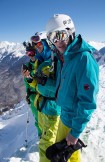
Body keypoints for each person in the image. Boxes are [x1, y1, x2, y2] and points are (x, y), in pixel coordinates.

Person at [46, 14, 99, 162]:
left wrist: (75, 132)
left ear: (71, 32)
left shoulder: (83, 59)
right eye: (52, 38)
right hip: (65, 116)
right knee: (69, 156)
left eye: (61, 35)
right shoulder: (66, 57)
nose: (58, 42)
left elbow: (88, 101)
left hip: (72, 121)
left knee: (60, 157)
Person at [23, 33, 61, 162]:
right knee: (44, 132)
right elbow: (36, 83)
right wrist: (29, 80)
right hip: (42, 103)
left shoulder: (55, 60)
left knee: (47, 143)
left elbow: (59, 85)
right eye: (34, 46)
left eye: (39, 44)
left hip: (53, 106)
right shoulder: (40, 62)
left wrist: (42, 81)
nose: (37, 47)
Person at [22, 43, 42, 137]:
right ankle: (41, 136)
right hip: (33, 96)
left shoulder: (42, 64)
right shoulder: (26, 66)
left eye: (32, 52)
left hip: (42, 95)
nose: (31, 55)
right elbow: (26, 81)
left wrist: (32, 74)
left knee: (44, 118)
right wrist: (28, 94)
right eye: (28, 53)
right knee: (37, 119)